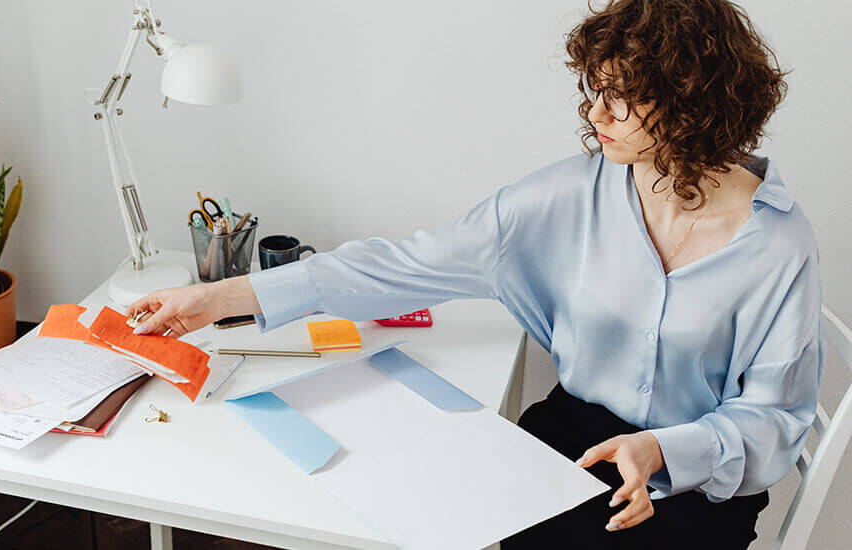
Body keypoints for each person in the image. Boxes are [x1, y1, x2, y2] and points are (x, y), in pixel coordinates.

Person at [126, 0, 824, 547]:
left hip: (694, 483)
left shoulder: (778, 245)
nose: (595, 113)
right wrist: (220, 297)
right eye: (594, 90)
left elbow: (775, 420)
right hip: (574, 444)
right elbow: (408, 265)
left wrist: (665, 452)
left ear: (692, 102)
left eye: (624, 97)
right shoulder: (566, 197)